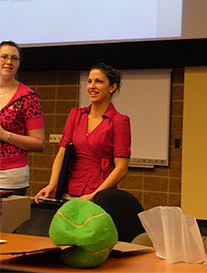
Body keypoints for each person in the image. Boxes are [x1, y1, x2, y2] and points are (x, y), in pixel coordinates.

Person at [35, 63, 131, 202]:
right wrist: (52, 184)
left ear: (112, 87)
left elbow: (121, 168)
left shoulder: (119, 121)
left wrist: (94, 195)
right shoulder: (76, 115)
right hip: (69, 191)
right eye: (89, 81)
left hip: (99, 196)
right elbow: (62, 153)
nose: (92, 86)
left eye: (98, 81)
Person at [0, 41, 45, 196]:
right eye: (4, 57)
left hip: (11, 176)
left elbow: (39, 143)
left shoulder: (27, 97)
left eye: (14, 58)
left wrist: (4, 135)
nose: (8, 62)